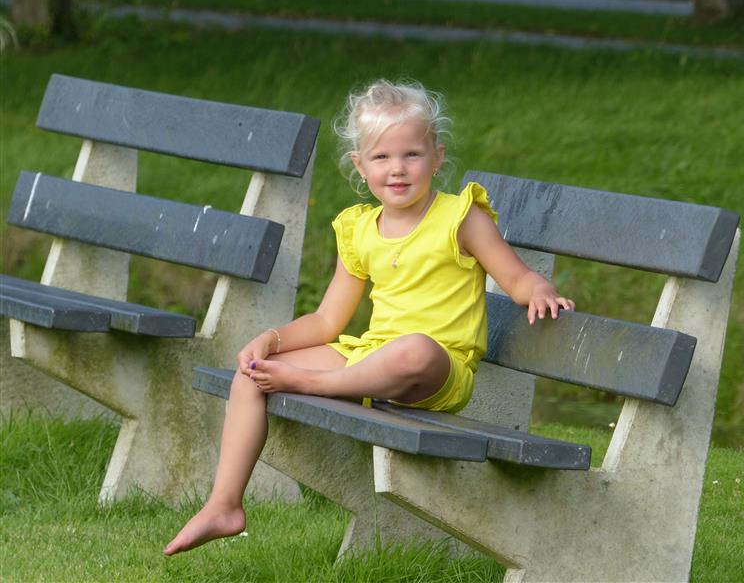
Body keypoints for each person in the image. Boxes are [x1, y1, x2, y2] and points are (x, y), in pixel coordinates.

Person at [163, 79, 574, 556]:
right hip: (371, 358)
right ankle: (224, 504)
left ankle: (316, 384)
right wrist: (270, 340)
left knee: (414, 348)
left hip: (437, 368)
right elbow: (326, 321)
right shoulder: (360, 229)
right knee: (253, 373)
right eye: (381, 157)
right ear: (360, 166)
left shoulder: (460, 218)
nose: (397, 168)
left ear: (436, 158)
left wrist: (538, 290)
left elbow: (516, 278)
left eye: (412, 155)